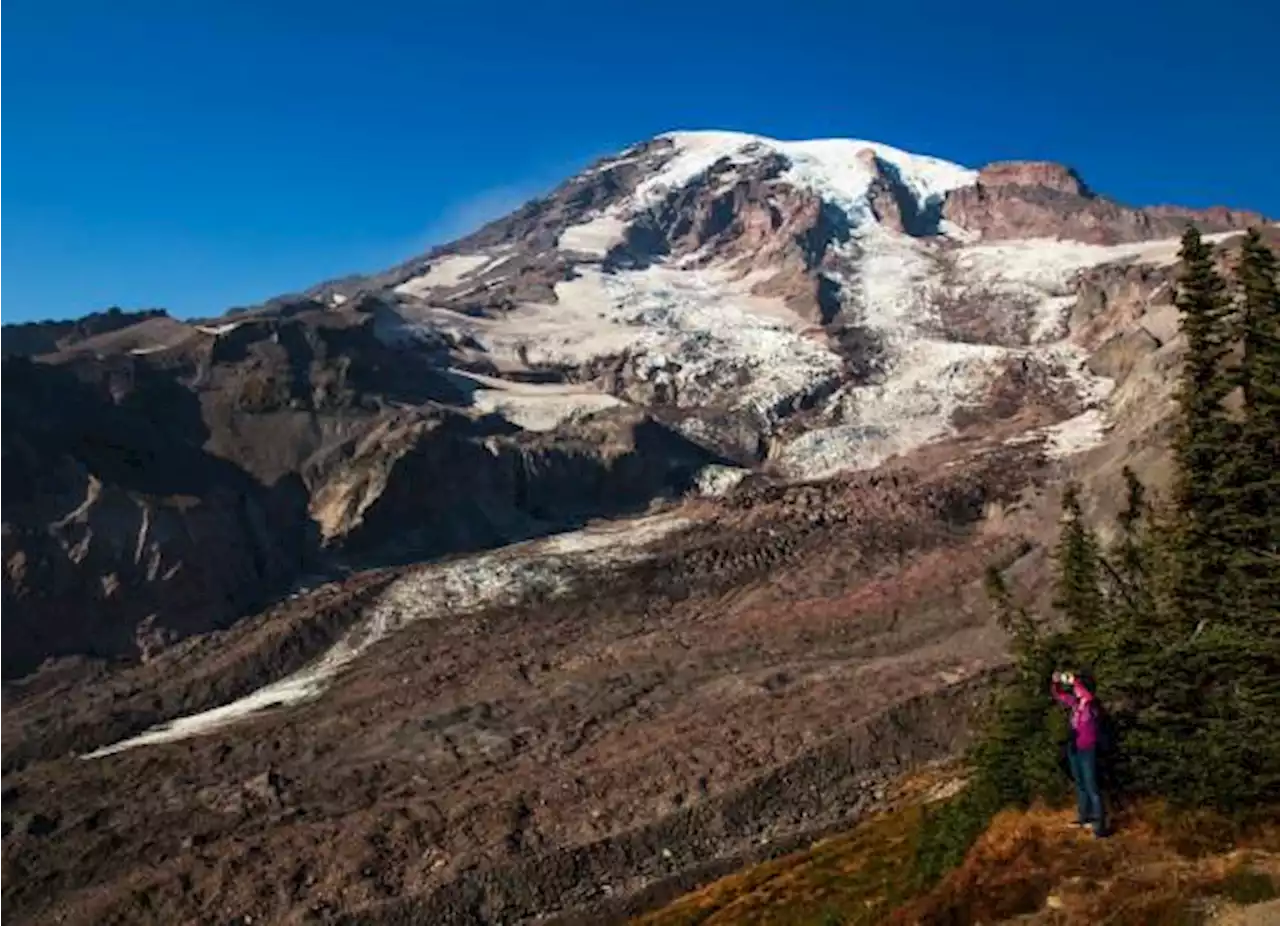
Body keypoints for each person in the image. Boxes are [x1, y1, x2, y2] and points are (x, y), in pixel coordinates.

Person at [1051, 669, 1108, 837]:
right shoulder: (1075, 704)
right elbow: (1059, 695)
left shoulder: (1091, 704)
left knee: (1092, 786)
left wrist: (1075, 680)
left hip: (1087, 748)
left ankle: (1100, 825)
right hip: (1074, 747)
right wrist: (1056, 683)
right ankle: (1084, 817)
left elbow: (1087, 695)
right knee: (1081, 784)